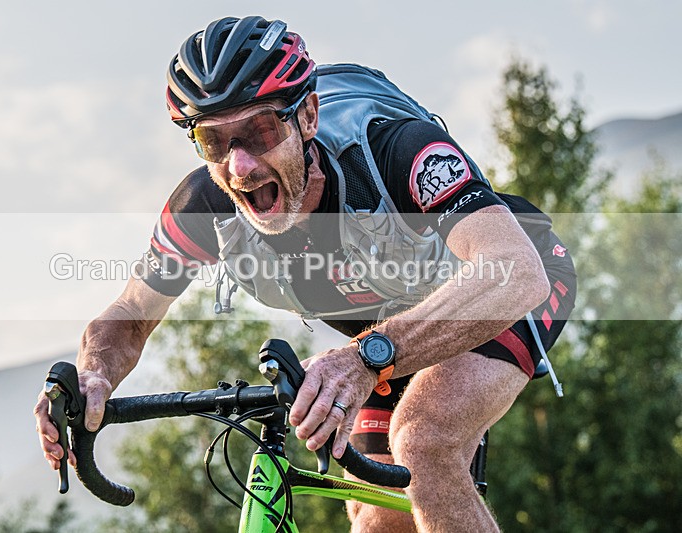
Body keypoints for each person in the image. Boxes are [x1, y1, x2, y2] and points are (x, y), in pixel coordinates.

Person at [34, 16, 576, 532]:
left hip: (504, 288)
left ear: (308, 117)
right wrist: (95, 375)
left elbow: (512, 272)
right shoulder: (203, 205)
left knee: (424, 439)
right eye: (214, 143)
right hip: (385, 338)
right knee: (376, 518)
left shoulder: (392, 150)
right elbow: (130, 314)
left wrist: (368, 358)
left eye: (262, 130)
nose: (240, 166)